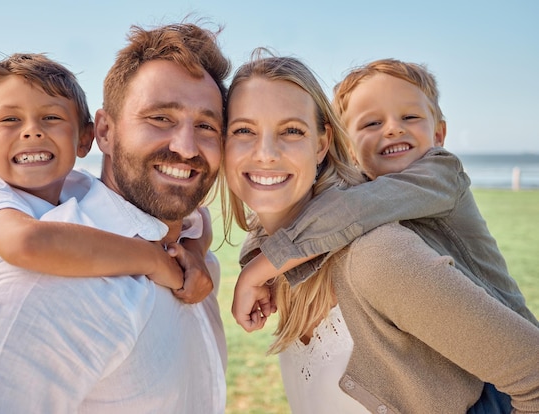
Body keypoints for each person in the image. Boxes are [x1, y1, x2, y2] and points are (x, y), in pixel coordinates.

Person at [0, 21, 230, 413]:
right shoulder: (46, 279)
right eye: (160, 118)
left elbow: (197, 219)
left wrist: (195, 250)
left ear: (84, 136)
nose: (186, 147)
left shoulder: (182, 251)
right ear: (104, 131)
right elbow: (28, 242)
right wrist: (154, 261)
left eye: (206, 125)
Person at [223, 53, 539, 413]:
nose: (392, 129)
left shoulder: (432, 182)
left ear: (324, 143)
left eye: (292, 129)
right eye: (243, 129)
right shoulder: (300, 244)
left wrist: (260, 267)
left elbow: (355, 209)